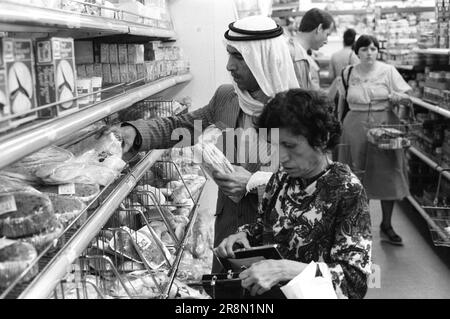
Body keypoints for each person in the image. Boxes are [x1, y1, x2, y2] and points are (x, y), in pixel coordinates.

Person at [113, 15, 299, 272]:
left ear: (265, 60)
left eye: (239, 57)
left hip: (274, 239)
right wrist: (135, 132)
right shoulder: (227, 98)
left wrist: (254, 181)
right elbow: (183, 126)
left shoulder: (299, 113)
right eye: (229, 54)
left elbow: (310, 183)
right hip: (228, 234)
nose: (229, 66)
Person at [215, 88, 372, 299]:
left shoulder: (347, 191)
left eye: (290, 146)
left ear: (322, 139)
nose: (281, 157)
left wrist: (284, 269)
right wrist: (244, 236)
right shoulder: (282, 178)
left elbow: (354, 282)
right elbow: (264, 227)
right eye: (274, 145)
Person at [337, 34, 412, 245]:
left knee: (388, 175)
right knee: (357, 177)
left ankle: (387, 225)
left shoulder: (388, 71)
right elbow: (341, 104)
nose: (369, 53)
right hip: (354, 127)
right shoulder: (348, 73)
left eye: (373, 49)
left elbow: (407, 97)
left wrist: (400, 98)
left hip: (384, 125)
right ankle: (359, 227)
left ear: (378, 51)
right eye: (364, 49)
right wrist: (335, 127)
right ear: (356, 52)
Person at [288, 8, 335, 89]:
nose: (326, 41)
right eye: (327, 34)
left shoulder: (292, 48)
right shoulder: (296, 55)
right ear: (319, 28)